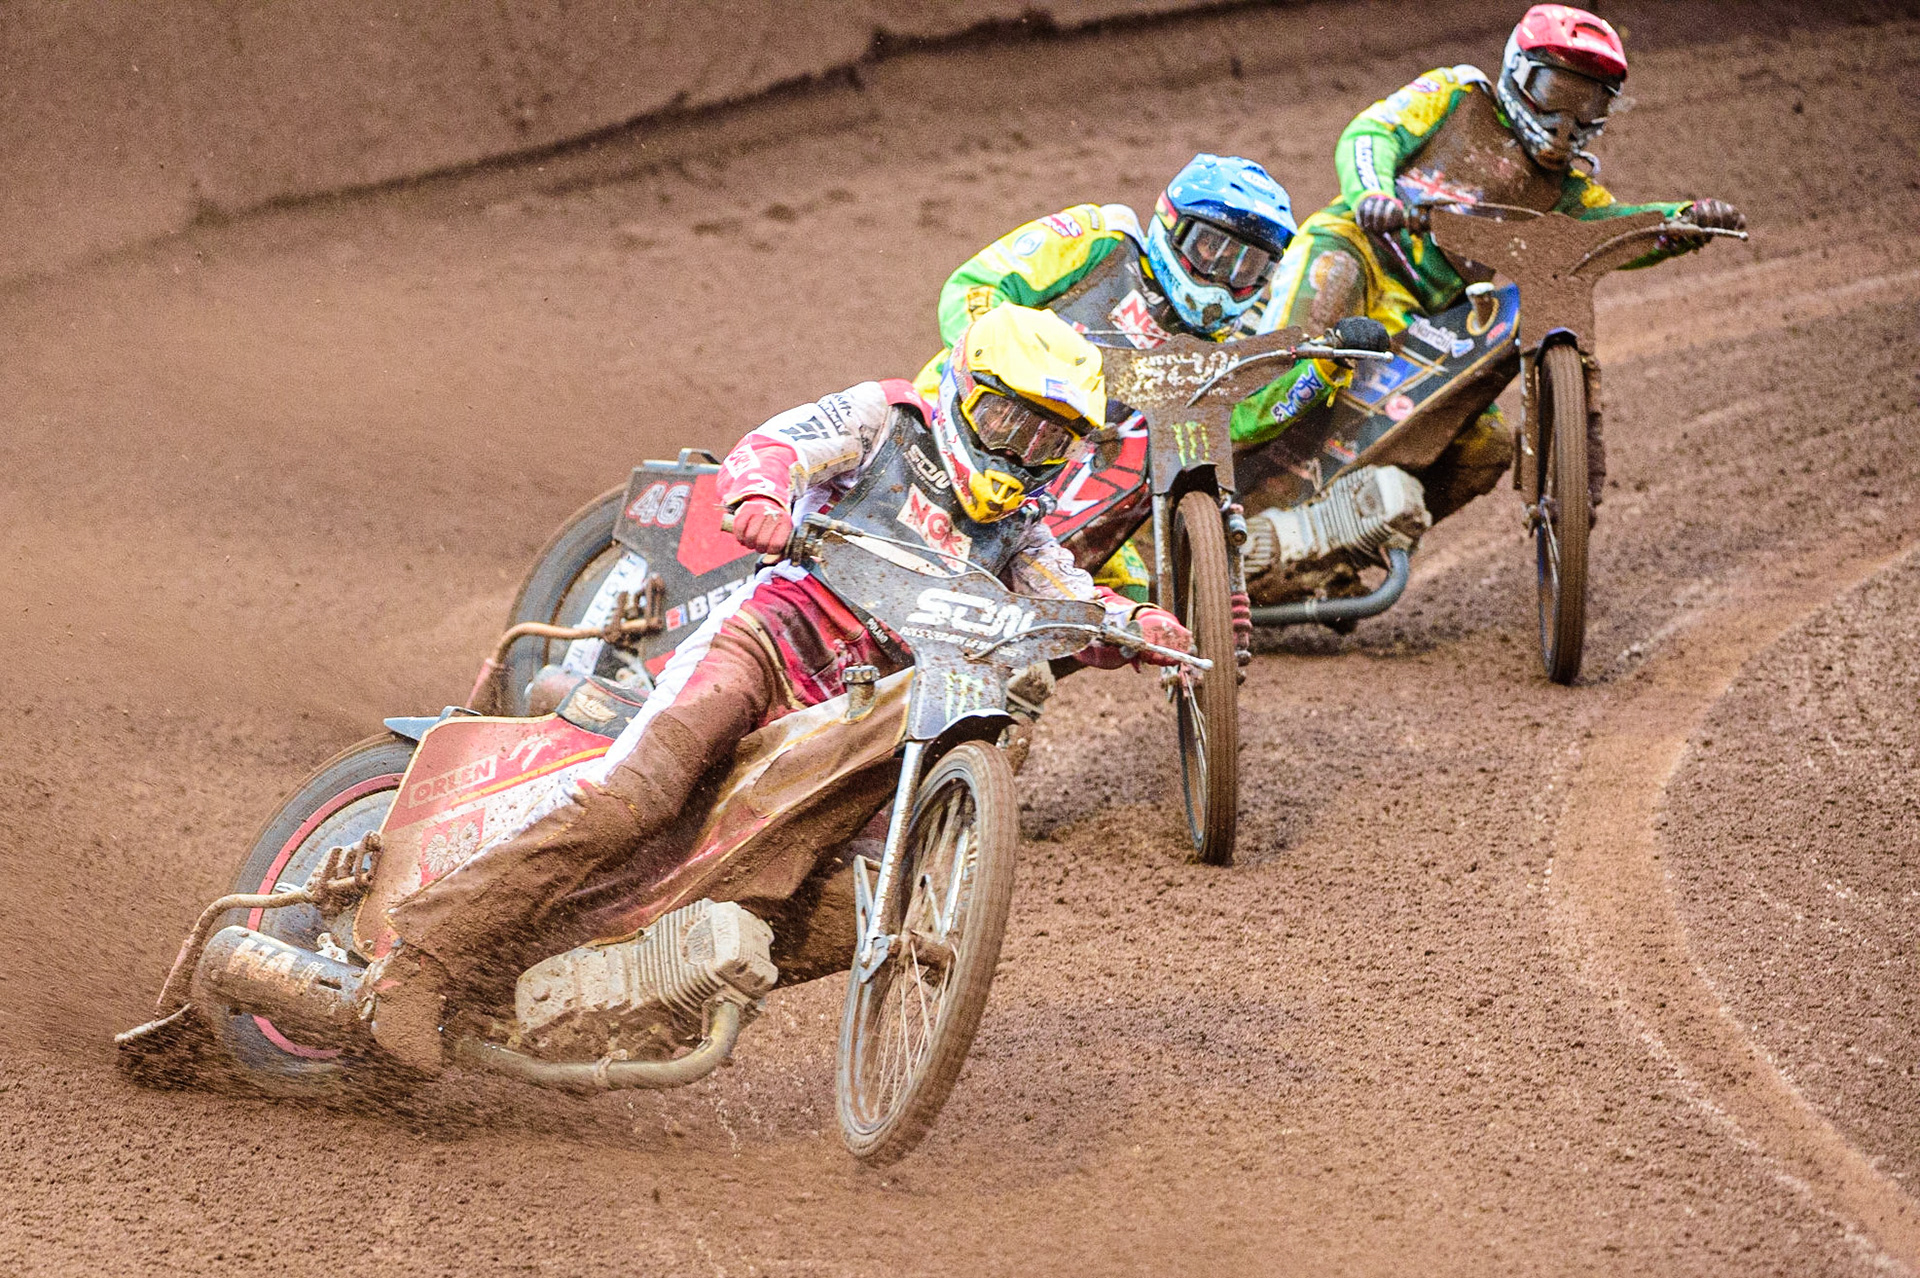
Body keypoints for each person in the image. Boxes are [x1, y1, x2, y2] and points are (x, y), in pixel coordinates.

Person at [364, 306, 1193, 1070]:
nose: (1018, 453)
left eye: (1047, 440)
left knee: (856, 909)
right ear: (964, 392)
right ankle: (420, 961)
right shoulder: (888, 419)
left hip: (858, 721)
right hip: (765, 646)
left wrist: (1139, 626)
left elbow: (1073, 598)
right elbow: (779, 447)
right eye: (1006, 420)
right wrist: (762, 493)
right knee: (640, 798)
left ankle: (600, 980)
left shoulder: (1021, 531)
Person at [1235, 3, 1746, 525]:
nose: (1564, 123)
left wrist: (1684, 221)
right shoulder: (1457, 95)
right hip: (1356, 251)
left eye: (1585, 105)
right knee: (1290, 370)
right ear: (1518, 74)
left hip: (1430, 318)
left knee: (1487, 447)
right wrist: (1372, 194)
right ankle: (1203, 471)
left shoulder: (1565, 191)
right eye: (1556, 95)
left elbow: (1612, 231)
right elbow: (1371, 133)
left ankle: (1355, 535)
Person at [921, 154, 1344, 607]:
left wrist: (1319, 369)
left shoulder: (1214, 344)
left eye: (1245, 266)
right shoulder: (1099, 241)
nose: (1221, 276)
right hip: (967, 431)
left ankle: (1028, 664)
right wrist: (1009, 364)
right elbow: (975, 286)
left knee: (1129, 592)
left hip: (1066, 496)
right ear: (1172, 224)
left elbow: (1232, 420)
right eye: (1210, 249)